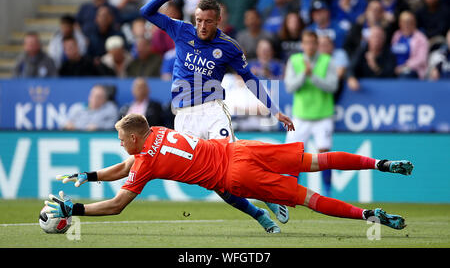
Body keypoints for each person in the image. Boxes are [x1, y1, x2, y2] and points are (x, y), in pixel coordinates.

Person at [50, 113, 412, 232]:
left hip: (236, 178)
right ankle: (379, 163)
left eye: (119, 138)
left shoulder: (146, 161)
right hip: (242, 148)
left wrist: (75, 210)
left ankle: (368, 215)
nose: (118, 143)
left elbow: (116, 206)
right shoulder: (158, 132)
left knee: (309, 198)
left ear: (132, 137)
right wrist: (93, 175)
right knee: (316, 160)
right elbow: (125, 165)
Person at [139, 0, 295, 233]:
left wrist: (274, 110)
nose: (202, 26)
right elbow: (146, 12)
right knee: (215, 180)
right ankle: (258, 215)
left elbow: (250, 80)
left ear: (218, 21)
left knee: (232, 164)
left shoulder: (230, 47)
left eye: (208, 21)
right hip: (184, 118)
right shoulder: (181, 30)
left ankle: (269, 196)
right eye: (199, 20)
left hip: (212, 110)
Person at [284, 30, 338, 197]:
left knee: (324, 154)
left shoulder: (327, 61)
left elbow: (332, 86)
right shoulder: (294, 60)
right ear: (302, 44)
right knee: (293, 156)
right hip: (300, 116)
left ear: (317, 44)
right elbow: (289, 87)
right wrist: (303, 75)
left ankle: (328, 192)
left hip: (323, 115)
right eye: (306, 43)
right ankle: (290, 191)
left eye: (312, 43)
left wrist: (313, 76)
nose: (309, 46)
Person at [347, 26, 396, 91]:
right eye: (374, 37)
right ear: (368, 39)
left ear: (384, 39)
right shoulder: (361, 51)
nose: (376, 40)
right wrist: (351, 78)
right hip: (363, 90)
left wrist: (374, 65)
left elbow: (390, 75)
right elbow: (351, 68)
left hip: (384, 89)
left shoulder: (389, 54)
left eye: (379, 37)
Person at [391, 11, 429, 79]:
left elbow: (421, 59)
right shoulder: (396, 35)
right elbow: (392, 52)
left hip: (412, 69)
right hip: (395, 68)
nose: (407, 25)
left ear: (414, 23)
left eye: (409, 22)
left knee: (405, 76)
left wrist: (405, 66)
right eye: (404, 22)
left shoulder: (421, 38)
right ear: (400, 24)